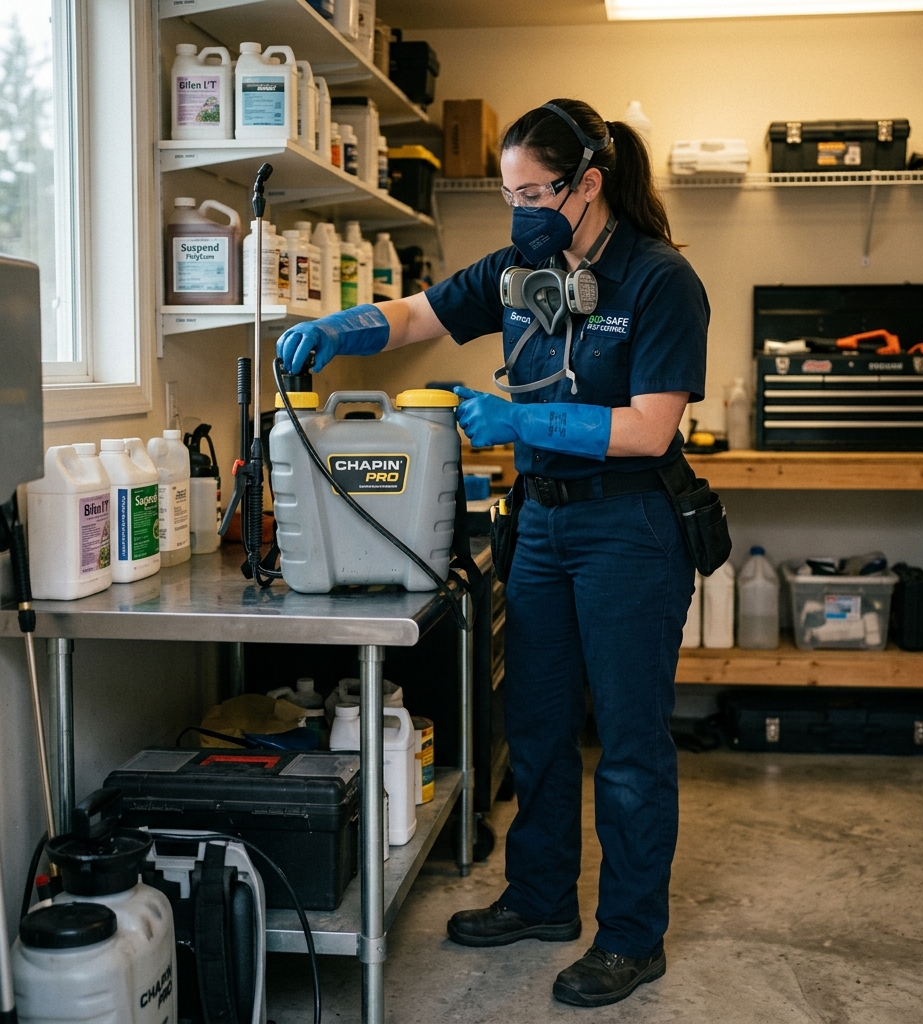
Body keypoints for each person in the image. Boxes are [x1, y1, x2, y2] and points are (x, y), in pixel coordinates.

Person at [277, 98, 709, 1008]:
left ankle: (633, 938)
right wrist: (335, 329)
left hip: (629, 526)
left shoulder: (660, 281)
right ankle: (542, 898)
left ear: (589, 184)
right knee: (539, 725)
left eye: (534, 192)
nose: (519, 211)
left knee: (628, 744)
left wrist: (521, 418)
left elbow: (648, 428)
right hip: (544, 525)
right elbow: (416, 315)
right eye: (509, 194)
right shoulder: (522, 264)